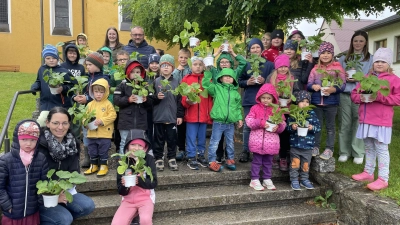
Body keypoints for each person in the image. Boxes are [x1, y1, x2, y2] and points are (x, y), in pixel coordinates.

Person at [351, 48, 400, 191]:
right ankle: (368, 172)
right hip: (366, 119)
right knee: (368, 146)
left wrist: (379, 97)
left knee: (381, 148)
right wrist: (359, 97)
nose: (379, 64)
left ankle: (383, 178)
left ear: (389, 64)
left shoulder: (394, 80)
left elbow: (398, 98)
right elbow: (354, 94)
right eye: (377, 61)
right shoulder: (367, 78)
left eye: (383, 62)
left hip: (381, 121)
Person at [38, 107, 95, 224]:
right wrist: (53, 194)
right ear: (47, 123)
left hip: (63, 189)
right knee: (64, 219)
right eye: (55, 123)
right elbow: (35, 179)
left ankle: (57, 214)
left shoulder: (72, 143)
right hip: (42, 196)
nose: (60, 127)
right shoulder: (39, 145)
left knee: (87, 205)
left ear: (69, 124)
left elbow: (74, 171)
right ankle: (53, 217)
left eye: (65, 123)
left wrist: (61, 189)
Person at [0, 120, 48, 225]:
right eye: (24, 139)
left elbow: (44, 182)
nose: (28, 144)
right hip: (12, 213)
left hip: (32, 212)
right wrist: (6, 205)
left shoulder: (41, 158)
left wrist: (39, 202)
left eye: (32, 140)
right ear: (17, 139)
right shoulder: (6, 160)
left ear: (37, 141)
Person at [338, 31, 373, 164]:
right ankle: (344, 151)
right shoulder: (344, 58)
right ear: (352, 42)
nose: (358, 43)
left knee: (359, 122)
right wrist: (344, 77)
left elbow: (372, 77)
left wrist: (360, 78)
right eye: (355, 41)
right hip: (345, 94)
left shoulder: (370, 59)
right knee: (344, 123)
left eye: (361, 41)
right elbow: (337, 76)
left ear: (365, 43)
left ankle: (358, 151)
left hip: (361, 95)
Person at [307, 42, 346, 160]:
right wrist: (313, 87)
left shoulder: (338, 68)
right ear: (319, 55)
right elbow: (309, 84)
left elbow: (343, 85)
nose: (325, 55)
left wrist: (333, 89)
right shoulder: (315, 69)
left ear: (332, 54)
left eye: (328, 53)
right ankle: (315, 146)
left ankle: (329, 148)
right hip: (317, 101)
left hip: (331, 102)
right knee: (316, 125)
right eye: (323, 53)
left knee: (330, 127)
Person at [238, 38, 274, 163]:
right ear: (249, 50)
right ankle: (245, 151)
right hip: (250, 99)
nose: (255, 49)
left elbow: (273, 81)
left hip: (265, 101)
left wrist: (266, 81)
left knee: (265, 125)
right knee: (248, 126)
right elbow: (239, 81)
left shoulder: (269, 64)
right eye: (252, 48)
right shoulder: (246, 64)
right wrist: (247, 82)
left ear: (261, 49)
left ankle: (262, 151)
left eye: (257, 47)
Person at [111, 129, 157, 225]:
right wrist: (125, 185)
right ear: (127, 146)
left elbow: (153, 183)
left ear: (145, 148)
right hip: (128, 200)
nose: (136, 148)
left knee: (145, 220)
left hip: (145, 198)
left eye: (140, 145)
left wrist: (138, 180)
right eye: (133, 145)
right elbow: (120, 190)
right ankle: (134, 216)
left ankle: (137, 216)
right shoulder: (123, 161)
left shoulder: (149, 159)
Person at [72, 52, 110, 168]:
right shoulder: (87, 78)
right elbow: (82, 92)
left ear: (97, 65)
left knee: (99, 135)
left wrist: (87, 98)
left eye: (89, 64)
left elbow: (103, 95)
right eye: (86, 65)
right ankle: (89, 156)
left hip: (99, 111)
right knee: (86, 132)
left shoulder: (104, 78)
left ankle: (100, 157)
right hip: (87, 110)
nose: (87, 67)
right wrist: (76, 97)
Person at [212, 44, 247, 163]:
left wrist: (233, 53)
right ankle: (218, 155)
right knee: (218, 137)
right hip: (220, 107)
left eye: (227, 62)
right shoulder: (216, 73)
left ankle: (229, 156)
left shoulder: (234, 73)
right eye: (222, 62)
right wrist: (216, 53)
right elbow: (207, 64)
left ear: (231, 64)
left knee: (229, 137)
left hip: (231, 107)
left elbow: (243, 63)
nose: (224, 64)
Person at [246, 83, 286, 191]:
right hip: (257, 140)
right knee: (257, 161)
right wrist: (260, 122)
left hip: (271, 142)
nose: (266, 100)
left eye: (268, 98)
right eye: (263, 98)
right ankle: (254, 179)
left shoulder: (277, 110)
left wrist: (277, 127)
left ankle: (267, 178)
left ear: (273, 98)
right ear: (259, 97)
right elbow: (249, 121)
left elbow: (283, 124)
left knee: (268, 161)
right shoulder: (255, 108)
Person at [203, 68, 243, 172]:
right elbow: (206, 84)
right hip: (218, 122)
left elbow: (238, 107)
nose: (228, 78)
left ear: (234, 79)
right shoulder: (217, 88)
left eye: (230, 77)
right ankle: (212, 161)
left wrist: (239, 118)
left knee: (230, 142)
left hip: (230, 123)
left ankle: (230, 159)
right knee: (214, 142)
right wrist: (207, 72)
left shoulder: (236, 93)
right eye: (226, 76)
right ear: (220, 78)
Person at [151, 54, 184, 171]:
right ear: (160, 67)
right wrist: (156, 97)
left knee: (172, 139)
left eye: (168, 66)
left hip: (171, 117)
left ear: (173, 68)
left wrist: (179, 115)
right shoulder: (156, 82)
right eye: (163, 65)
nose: (165, 68)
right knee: (158, 139)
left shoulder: (176, 82)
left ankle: (171, 157)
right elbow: (150, 99)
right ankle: (158, 157)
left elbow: (180, 101)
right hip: (158, 117)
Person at [266, 54, 299, 171]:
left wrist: (291, 98)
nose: (283, 69)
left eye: (285, 66)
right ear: (276, 67)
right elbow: (266, 92)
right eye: (281, 66)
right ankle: (273, 156)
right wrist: (275, 97)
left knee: (285, 135)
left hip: (287, 111)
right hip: (274, 110)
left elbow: (297, 92)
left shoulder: (292, 78)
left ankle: (283, 157)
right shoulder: (271, 77)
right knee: (274, 134)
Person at [114, 60, 153, 155]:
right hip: (125, 121)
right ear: (127, 72)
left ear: (142, 73)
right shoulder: (122, 85)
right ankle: (124, 161)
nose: (135, 74)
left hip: (140, 121)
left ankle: (138, 161)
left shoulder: (145, 86)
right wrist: (128, 100)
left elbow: (151, 102)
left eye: (138, 72)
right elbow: (116, 100)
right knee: (124, 141)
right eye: (132, 72)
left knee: (139, 142)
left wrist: (146, 99)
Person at [181, 56, 213, 170]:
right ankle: (190, 156)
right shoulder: (186, 78)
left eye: (200, 64)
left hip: (204, 114)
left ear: (204, 66)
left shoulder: (208, 79)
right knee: (191, 137)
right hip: (191, 114)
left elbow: (210, 98)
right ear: (191, 66)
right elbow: (183, 96)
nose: (198, 66)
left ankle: (200, 155)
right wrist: (187, 101)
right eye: (195, 64)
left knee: (202, 137)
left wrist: (210, 114)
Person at [287, 91, 321, 190]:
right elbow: (287, 129)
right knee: (295, 163)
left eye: (307, 101)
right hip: (295, 144)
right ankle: (294, 179)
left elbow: (318, 128)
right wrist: (292, 127)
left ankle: (304, 179)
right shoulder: (294, 113)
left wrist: (312, 128)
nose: (305, 103)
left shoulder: (312, 113)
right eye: (302, 101)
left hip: (308, 145)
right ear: (297, 103)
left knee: (306, 164)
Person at [83, 78, 117, 177]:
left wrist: (102, 121)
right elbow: (84, 116)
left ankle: (103, 166)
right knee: (92, 150)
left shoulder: (108, 104)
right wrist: (86, 123)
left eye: (101, 92)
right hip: (92, 133)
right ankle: (93, 165)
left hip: (104, 133)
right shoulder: (89, 104)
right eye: (96, 91)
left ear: (105, 92)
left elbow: (113, 115)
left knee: (103, 150)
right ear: (92, 92)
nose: (98, 94)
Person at [31, 45, 74, 111]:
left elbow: (72, 87)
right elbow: (39, 81)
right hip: (45, 104)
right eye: (48, 58)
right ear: (44, 59)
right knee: (42, 120)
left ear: (57, 59)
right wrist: (34, 87)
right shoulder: (42, 69)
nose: (51, 60)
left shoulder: (64, 72)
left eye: (54, 58)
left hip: (60, 105)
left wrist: (63, 88)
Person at [172, 48, 191, 161]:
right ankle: (181, 149)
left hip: (189, 100)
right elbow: (173, 81)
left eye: (186, 57)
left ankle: (189, 150)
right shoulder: (175, 71)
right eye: (181, 57)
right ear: (178, 58)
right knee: (180, 126)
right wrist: (177, 71)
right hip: (178, 101)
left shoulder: (190, 70)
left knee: (189, 127)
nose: (183, 59)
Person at [109, 50, 130, 152]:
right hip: (117, 107)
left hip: (128, 106)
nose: (122, 61)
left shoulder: (131, 73)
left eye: (125, 59)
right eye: (120, 60)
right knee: (118, 129)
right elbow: (110, 88)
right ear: (116, 62)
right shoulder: (114, 74)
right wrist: (119, 88)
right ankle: (118, 149)